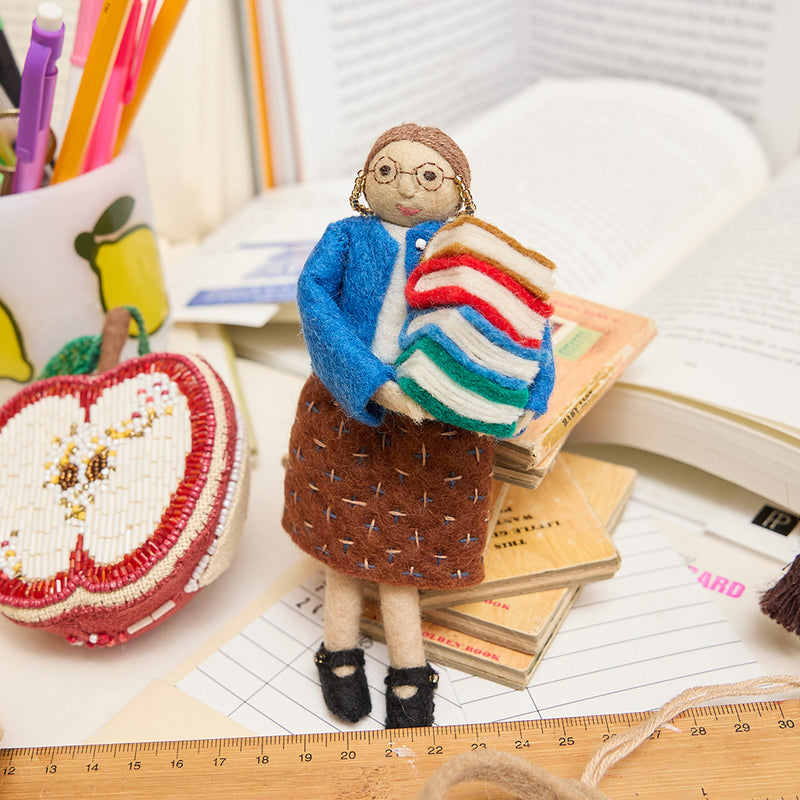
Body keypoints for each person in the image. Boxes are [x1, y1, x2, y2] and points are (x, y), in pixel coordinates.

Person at [283, 124, 499, 729]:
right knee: (343, 545)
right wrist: (367, 379)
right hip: (346, 412)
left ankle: (409, 668)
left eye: (428, 177)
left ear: (457, 192)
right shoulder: (345, 237)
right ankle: (340, 650)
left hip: (432, 428)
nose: (406, 188)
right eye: (387, 172)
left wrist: (527, 388)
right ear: (363, 182)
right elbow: (313, 298)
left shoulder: (465, 250)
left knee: (402, 557)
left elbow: (513, 316)